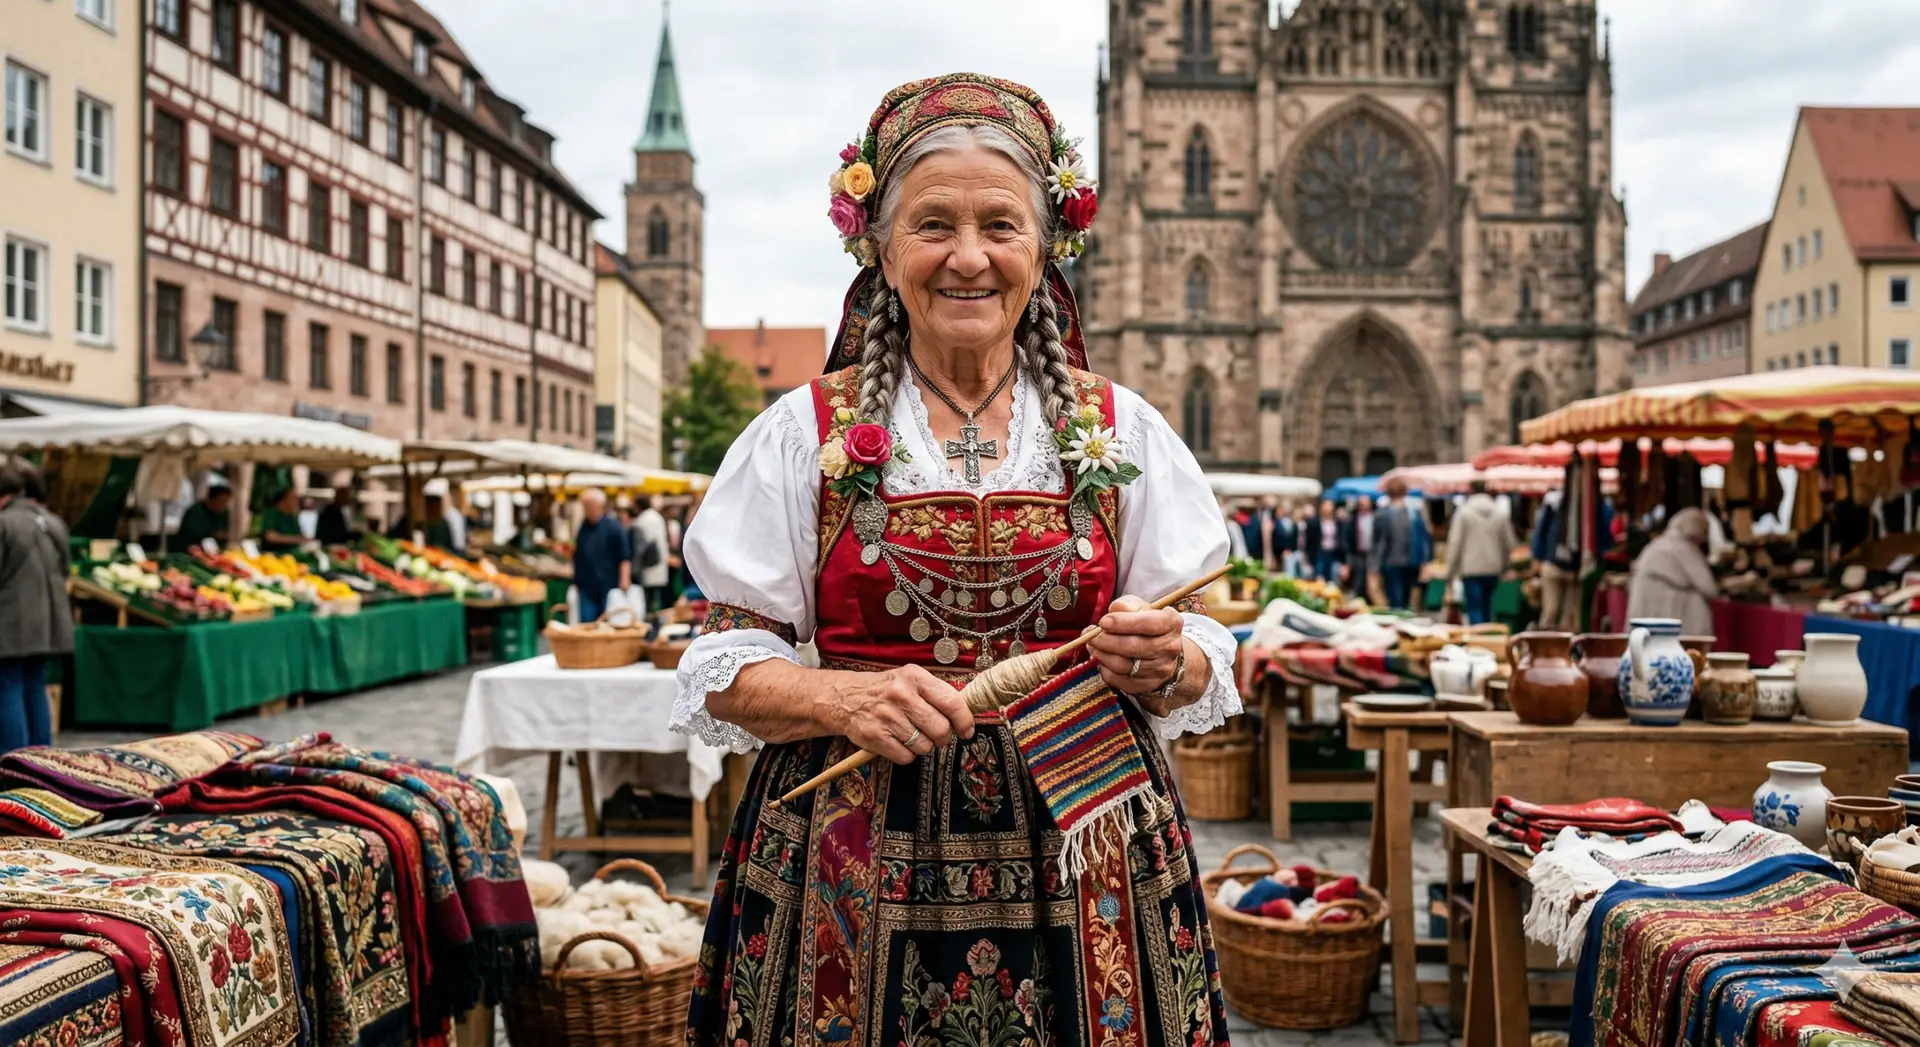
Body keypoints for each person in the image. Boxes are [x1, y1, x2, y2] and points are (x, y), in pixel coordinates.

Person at [673, 75, 1234, 1047]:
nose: (968, 257)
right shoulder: (803, 433)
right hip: (852, 850)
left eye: (1000, 226)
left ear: (1045, 248)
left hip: (1092, 852)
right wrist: (841, 700)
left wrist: (1172, 660)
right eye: (934, 225)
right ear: (881, 251)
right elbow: (723, 658)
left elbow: (1211, 641)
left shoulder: (1121, 427)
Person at [0, 461, 71, 752]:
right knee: (34, 686)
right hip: (50, 623)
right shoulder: (53, 521)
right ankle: (41, 762)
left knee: (8, 687)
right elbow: (66, 570)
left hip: (11, 622)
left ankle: (12, 762)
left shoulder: (4, 523)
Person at [1627, 507, 1718, 636]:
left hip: (1645, 607)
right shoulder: (1683, 548)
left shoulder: (1657, 545)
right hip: (1667, 609)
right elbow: (1709, 588)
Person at [1446, 481, 1517, 625]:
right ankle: (1488, 637)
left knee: (1474, 607)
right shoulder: (1500, 513)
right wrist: (1504, 565)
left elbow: (1455, 542)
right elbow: (1509, 543)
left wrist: (1451, 570)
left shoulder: (1464, 512)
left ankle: (1478, 641)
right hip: (1493, 568)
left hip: (1470, 568)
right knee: (1487, 605)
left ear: (1470, 491)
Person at [571, 488, 630, 623]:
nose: (586, 509)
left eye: (588, 506)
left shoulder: (613, 527)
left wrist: (624, 579)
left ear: (599, 506)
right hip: (586, 585)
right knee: (587, 622)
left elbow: (624, 556)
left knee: (607, 621)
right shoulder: (583, 527)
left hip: (608, 584)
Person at [1372, 477, 1431, 610]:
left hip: (1393, 562)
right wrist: (1425, 561)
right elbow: (1424, 538)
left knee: (1397, 599)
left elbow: (1376, 544)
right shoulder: (1414, 513)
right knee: (1404, 598)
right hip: (1409, 561)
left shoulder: (1383, 514)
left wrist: (1374, 568)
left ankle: (1400, 620)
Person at [630, 494, 671, 611]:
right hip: (659, 565)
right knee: (656, 599)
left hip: (648, 566)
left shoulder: (641, 521)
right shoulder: (657, 517)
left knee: (648, 601)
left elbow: (641, 547)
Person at [175, 483, 232, 549]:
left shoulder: (224, 513)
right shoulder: (196, 511)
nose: (224, 505)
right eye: (222, 502)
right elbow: (191, 534)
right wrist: (214, 534)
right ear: (212, 499)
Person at [254, 485, 306, 550]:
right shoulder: (272, 514)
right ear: (284, 499)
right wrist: (296, 539)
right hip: (276, 553)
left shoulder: (293, 516)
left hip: (296, 551)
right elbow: (270, 537)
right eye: (293, 499)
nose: (296, 502)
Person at [1305, 497, 1344, 582]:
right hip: (1320, 552)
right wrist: (1308, 556)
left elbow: (1340, 537)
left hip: (1333, 552)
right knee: (1319, 577)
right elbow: (1309, 540)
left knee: (1332, 577)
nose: (1328, 508)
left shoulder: (1337, 522)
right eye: (1325, 506)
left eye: (1330, 506)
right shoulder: (1314, 522)